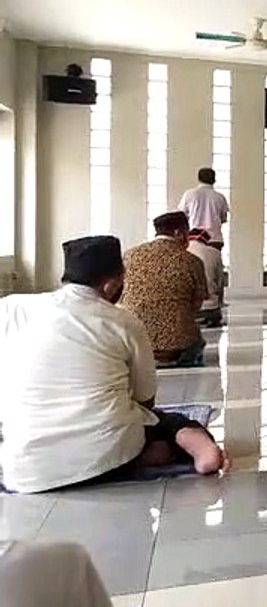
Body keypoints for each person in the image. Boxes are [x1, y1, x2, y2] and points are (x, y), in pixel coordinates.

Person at [0, 236, 223, 494]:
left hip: (28, 469)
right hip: (106, 448)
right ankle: (184, 447)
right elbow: (145, 399)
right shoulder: (123, 322)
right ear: (111, 284)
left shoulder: (11, 308)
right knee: (166, 420)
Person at [120, 212, 208, 366]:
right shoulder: (192, 261)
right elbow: (197, 304)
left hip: (135, 340)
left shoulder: (129, 256)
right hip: (179, 345)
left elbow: (121, 297)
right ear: (178, 233)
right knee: (197, 341)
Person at [178, 167, 229, 250]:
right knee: (214, 262)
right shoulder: (220, 197)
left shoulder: (189, 194)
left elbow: (182, 215)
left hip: (195, 237)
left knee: (195, 262)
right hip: (214, 238)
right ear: (214, 180)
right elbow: (223, 219)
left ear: (199, 179)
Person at [187, 228, 224, 328]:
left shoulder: (181, 252)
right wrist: (219, 305)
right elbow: (220, 284)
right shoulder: (215, 253)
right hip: (210, 309)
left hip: (188, 312)